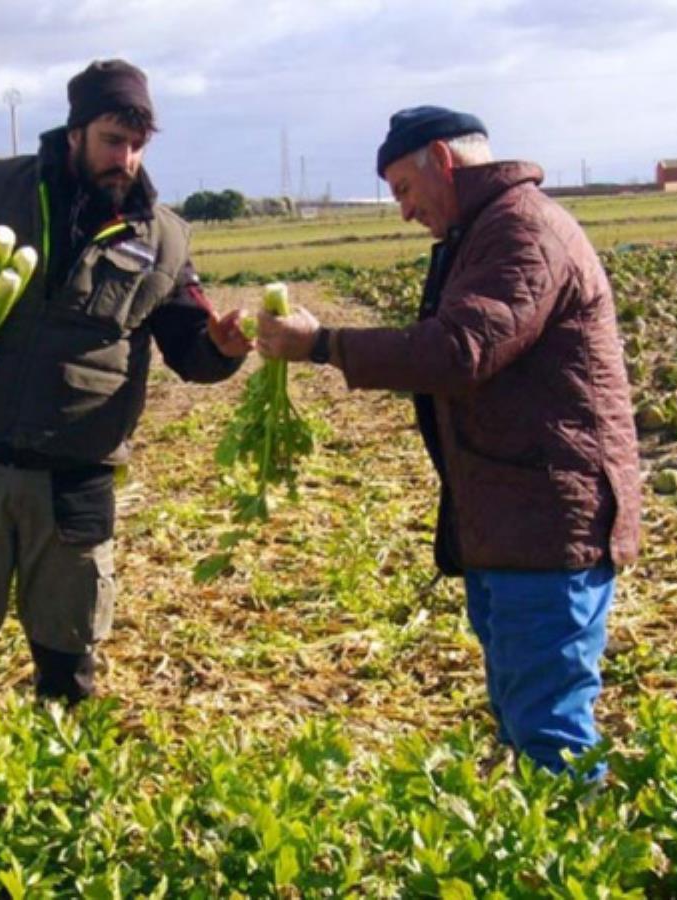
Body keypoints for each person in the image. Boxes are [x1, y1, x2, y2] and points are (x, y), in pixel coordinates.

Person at [257, 106, 641, 775]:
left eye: (403, 187)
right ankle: (540, 856)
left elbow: (460, 350)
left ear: (441, 158)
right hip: (509, 518)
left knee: (549, 727)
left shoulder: (523, 231)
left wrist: (322, 345)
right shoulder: (483, 231)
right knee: (523, 712)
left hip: (549, 525)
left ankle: (580, 866)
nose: (403, 210)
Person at [0, 59, 251, 705]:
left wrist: (222, 345)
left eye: (137, 144)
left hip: (78, 471)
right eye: (111, 140)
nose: (125, 159)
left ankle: (59, 777)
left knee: (69, 653)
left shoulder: (163, 237)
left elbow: (190, 349)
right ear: (74, 132)